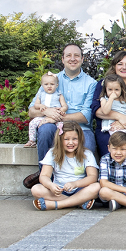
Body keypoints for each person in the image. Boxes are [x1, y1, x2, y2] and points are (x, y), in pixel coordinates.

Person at [24, 44, 97, 188]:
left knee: (87, 144)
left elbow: (85, 116)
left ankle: (82, 187)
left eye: (76, 55)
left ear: (82, 59)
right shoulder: (51, 80)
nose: (72, 59)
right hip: (54, 126)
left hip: (80, 128)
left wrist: (55, 116)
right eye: (68, 55)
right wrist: (46, 112)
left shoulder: (91, 83)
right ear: (62, 59)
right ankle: (45, 179)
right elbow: (31, 111)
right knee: (45, 130)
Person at [31, 121, 100, 210]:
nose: (70, 143)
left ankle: (56, 205)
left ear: (80, 139)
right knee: (36, 189)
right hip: (59, 192)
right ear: (60, 140)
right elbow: (44, 176)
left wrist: (75, 184)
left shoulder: (87, 154)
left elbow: (93, 176)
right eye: (66, 139)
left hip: (79, 189)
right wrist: (50, 185)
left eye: (74, 139)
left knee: (97, 187)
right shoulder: (52, 153)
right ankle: (78, 202)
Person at [23, 71, 68, 148]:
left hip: (55, 117)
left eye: (52, 84)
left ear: (57, 85)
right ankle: (32, 141)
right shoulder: (40, 94)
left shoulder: (59, 95)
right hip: (42, 117)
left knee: (61, 126)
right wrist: (40, 106)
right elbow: (36, 105)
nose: (49, 86)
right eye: (46, 84)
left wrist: (61, 110)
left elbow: (65, 106)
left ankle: (60, 141)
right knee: (32, 123)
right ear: (42, 85)